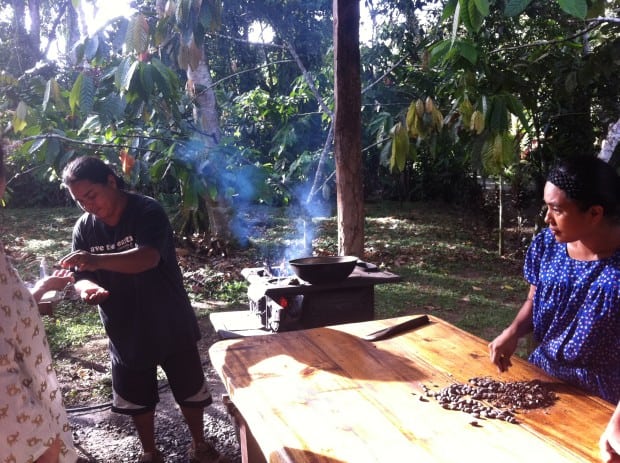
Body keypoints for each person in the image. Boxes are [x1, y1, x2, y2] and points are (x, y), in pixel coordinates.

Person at [58, 156, 228, 463]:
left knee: (189, 389)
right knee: (137, 398)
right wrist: (88, 289)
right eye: (79, 200)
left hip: (169, 320)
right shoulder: (84, 228)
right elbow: (81, 276)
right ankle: (149, 452)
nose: (87, 206)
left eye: (91, 195)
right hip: (124, 327)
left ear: (111, 180)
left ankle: (199, 444)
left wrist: (96, 260)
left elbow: (147, 258)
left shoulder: (147, 211)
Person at [486, 156, 620, 462]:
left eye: (557, 209)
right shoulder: (548, 244)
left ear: (595, 213)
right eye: (547, 206)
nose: (547, 218)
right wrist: (514, 331)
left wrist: (618, 421)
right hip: (542, 378)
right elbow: (535, 298)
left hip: (605, 398)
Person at [0, 143, 78, 463]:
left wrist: (44, 286)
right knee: (46, 449)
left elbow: (10, 310)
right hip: (11, 390)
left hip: (24, 379)